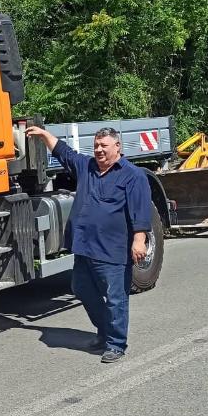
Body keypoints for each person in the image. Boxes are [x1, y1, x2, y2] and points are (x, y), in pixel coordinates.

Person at [25, 125, 151, 363]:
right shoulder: (87, 167)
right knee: (81, 288)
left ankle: (116, 343)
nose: (99, 150)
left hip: (112, 249)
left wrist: (139, 240)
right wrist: (44, 136)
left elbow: (140, 211)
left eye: (104, 146)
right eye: (96, 146)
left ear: (118, 147)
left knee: (115, 297)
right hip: (84, 247)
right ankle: (105, 331)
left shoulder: (133, 175)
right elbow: (65, 152)